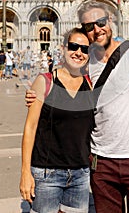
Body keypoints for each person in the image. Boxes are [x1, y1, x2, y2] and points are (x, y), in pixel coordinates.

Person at [26, 1, 129, 213]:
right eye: (89, 26)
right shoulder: (87, 64)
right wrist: (35, 92)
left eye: (101, 22)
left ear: (110, 21)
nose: (97, 29)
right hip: (101, 162)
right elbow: (63, 80)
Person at [20, 28, 94, 213]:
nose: (78, 52)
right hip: (47, 173)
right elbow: (30, 127)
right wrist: (25, 173)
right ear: (63, 48)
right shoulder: (45, 81)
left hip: (80, 173)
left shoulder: (91, 84)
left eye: (84, 49)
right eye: (74, 46)